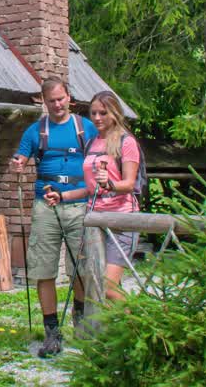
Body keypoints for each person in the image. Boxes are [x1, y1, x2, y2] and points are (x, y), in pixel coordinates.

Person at [10, 77, 98, 358]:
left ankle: (81, 322)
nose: (57, 105)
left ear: (69, 97)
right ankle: (52, 332)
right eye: (51, 101)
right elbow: (20, 158)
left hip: (80, 203)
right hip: (45, 204)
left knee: (82, 268)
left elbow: (101, 159)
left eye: (61, 99)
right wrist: (18, 164)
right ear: (44, 102)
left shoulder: (87, 128)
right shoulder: (35, 131)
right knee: (43, 269)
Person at [82, 90, 141, 301]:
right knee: (96, 284)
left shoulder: (126, 142)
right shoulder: (91, 143)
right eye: (94, 113)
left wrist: (110, 184)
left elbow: (130, 183)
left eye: (103, 113)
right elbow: (90, 187)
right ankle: (108, 332)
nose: (97, 118)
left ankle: (135, 327)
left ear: (114, 113)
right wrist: (62, 196)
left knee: (109, 288)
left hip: (122, 218)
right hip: (95, 218)